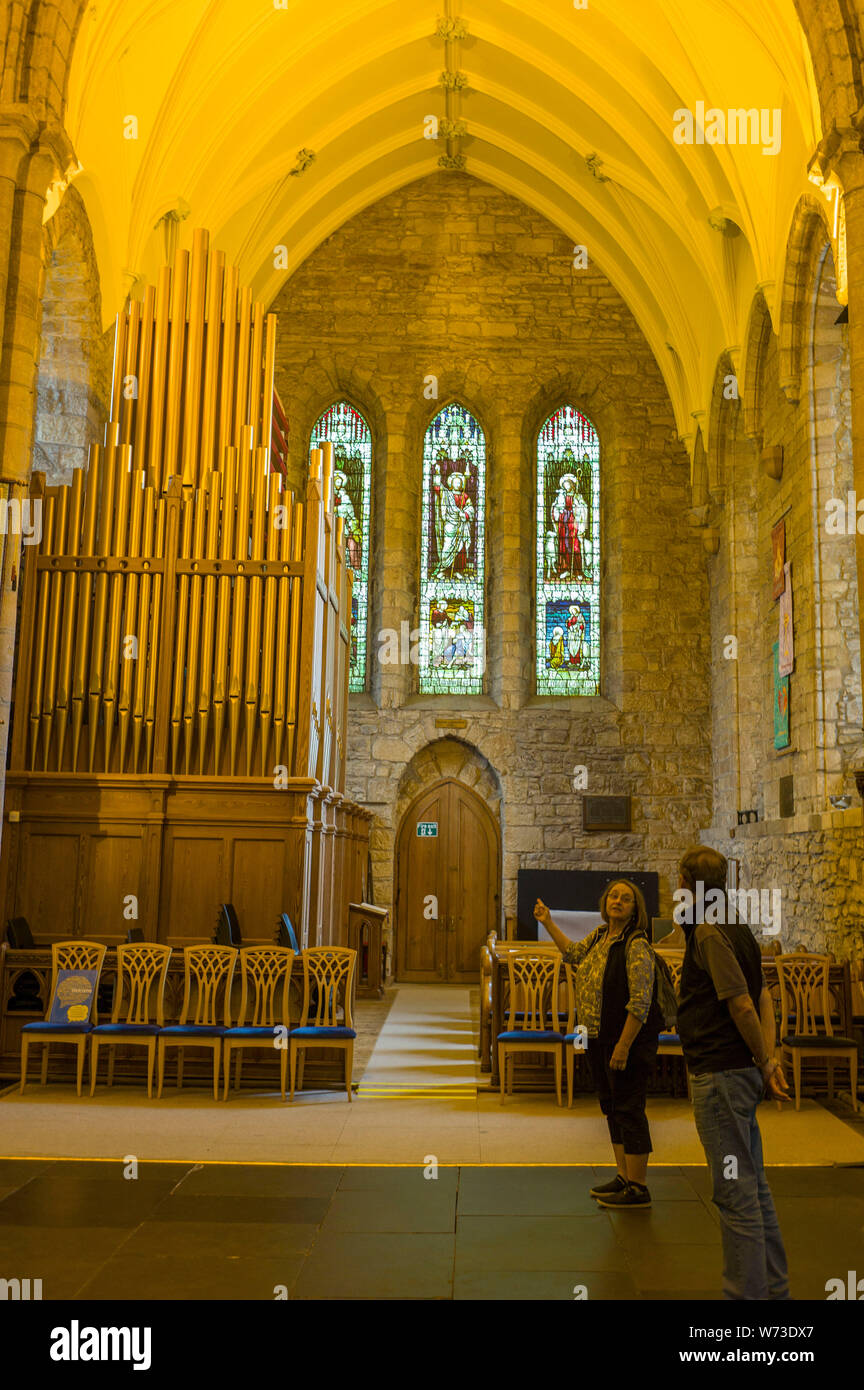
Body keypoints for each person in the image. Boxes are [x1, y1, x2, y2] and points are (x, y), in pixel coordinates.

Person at [675, 845, 791, 1300]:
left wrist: (766, 1060)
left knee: (735, 1194)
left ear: (690, 883)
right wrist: (768, 1057)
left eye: (681, 881)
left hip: (721, 1074)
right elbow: (764, 997)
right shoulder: (737, 925)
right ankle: (773, 1291)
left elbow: (743, 1001)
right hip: (737, 1070)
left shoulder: (708, 930)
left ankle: (746, 1299)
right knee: (755, 1188)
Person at [534, 880, 663, 1208]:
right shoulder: (599, 936)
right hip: (596, 1035)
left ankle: (639, 1186)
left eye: (626, 898)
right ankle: (623, 1176)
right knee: (611, 1108)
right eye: (613, 896)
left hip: (626, 1042)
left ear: (636, 909)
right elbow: (573, 953)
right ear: (605, 903)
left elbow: (640, 1003)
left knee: (630, 1110)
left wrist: (622, 1046)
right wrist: (548, 922)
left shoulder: (636, 945)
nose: (618, 901)